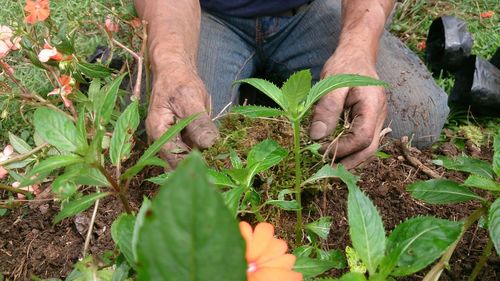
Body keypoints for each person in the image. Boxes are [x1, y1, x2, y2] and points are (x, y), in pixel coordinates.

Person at [133, 0, 449, 169]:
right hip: (203, 14)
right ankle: (258, 87)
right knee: (181, 139)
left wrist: (358, 46)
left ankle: (258, 90)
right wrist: (173, 62)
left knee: (417, 116)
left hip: (311, 9)